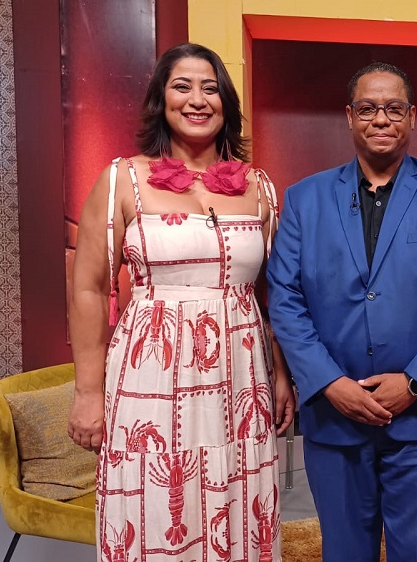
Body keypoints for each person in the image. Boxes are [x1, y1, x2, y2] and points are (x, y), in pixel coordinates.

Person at [67, 42, 295, 562]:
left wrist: (282, 374)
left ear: (226, 103)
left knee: (238, 487)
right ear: (160, 99)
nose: (197, 99)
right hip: (150, 374)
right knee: (154, 491)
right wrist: (87, 392)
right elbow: (89, 288)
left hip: (241, 375)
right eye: (182, 87)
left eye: (210, 88)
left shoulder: (259, 187)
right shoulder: (122, 179)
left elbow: (275, 291)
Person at [266, 62, 417, 562]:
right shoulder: (303, 199)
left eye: (393, 108)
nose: (381, 119)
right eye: (367, 108)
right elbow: (285, 297)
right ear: (349, 116)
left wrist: (414, 383)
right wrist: (329, 382)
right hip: (333, 417)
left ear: (412, 116)